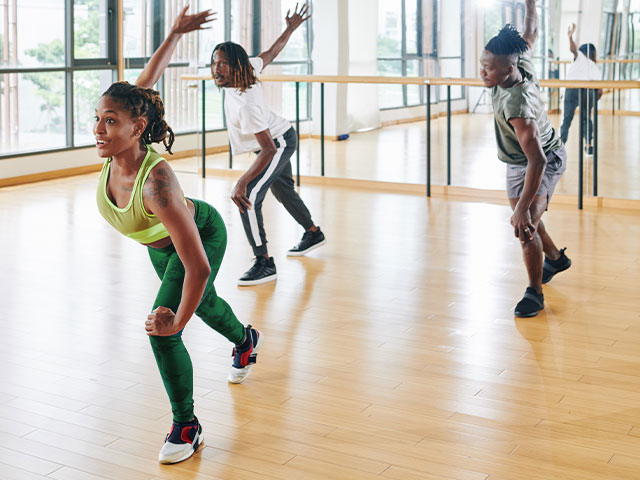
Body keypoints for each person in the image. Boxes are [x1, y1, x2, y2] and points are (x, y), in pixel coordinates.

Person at [94, 7, 262, 464]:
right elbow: (139, 90)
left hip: (200, 237)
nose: (99, 129)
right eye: (98, 118)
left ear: (137, 128)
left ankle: (187, 425)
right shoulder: (115, 152)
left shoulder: (157, 184)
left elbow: (198, 266)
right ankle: (245, 340)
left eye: (110, 121)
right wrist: (172, 34)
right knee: (203, 302)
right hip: (161, 248)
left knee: (164, 328)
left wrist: (176, 321)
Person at [211, 2, 326, 286]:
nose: (216, 69)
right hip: (276, 139)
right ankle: (312, 232)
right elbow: (270, 53)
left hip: (278, 143)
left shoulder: (246, 104)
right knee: (283, 189)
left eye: (223, 63)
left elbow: (269, 150)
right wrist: (290, 28)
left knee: (247, 197)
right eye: (214, 62)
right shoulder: (247, 69)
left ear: (235, 65)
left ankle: (264, 261)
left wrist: (241, 181)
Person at [479, 0, 571, 318]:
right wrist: (532, 4)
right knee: (528, 217)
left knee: (526, 223)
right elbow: (531, 31)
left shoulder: (519, 108)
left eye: (488, 68)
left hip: (545, 159)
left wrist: (521, 209)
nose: (482, 72)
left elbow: (539, 160)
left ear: (508, 69)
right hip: (517, 162)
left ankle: (535, 293)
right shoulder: (521, 61)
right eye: (481, 64)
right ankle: (556, 259)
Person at [559, 23, 602, 154]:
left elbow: (573, 49)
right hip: (585, 91)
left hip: (573, 90)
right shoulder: (591, 64)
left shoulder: (584, 60)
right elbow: (599, 91)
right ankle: (588, 146)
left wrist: (570, 37)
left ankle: (561, 146)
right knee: (585, 119)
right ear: (592, 53)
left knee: (567, 119)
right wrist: (594, 101)